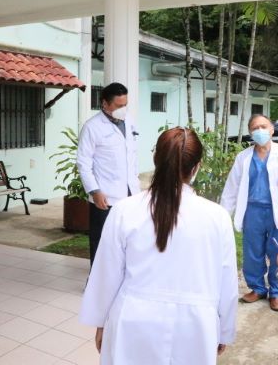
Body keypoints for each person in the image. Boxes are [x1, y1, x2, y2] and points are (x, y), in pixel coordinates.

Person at [80, 127, 238, 365]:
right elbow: (227, 282)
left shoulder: (125, 210)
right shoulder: (217, 217)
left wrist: (101, 322)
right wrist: (224, 329)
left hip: (133, 322)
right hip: (195, 326)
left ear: (156, 160)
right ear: (197, 167)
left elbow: (106, 275)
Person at [221, 114, 278, 311]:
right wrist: (224, 213)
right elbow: (232, 188)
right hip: (253, 211)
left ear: (272, 129)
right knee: (252, 252)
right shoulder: (243, 157)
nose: (259, 130)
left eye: (263, 126)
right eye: (254, 128)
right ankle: (257, 288)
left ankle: (276, 292)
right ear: (250, 133)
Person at [77, 82, 140, 265]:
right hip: (105, 196)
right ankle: (96, 283)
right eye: (119, 105)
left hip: (130, 193)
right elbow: (83, 163)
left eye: (125, 104)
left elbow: (132, 157)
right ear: (105, 103)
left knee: (127, 240)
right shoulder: (92, 127)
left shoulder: (128, 122)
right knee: (101, 241)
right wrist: (95, 191)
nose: (123, 109)